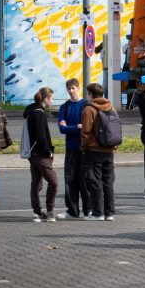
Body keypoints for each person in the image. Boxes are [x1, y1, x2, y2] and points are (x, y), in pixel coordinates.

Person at [80, 83, 118, 221]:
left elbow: (85, 132)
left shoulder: (89, 109)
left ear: (90, 94)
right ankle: (109, 213)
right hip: (109, 149)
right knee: (108, 181)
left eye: (87, 93)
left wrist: (83, 147)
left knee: (95, 181)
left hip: (94, 150)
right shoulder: (111, 107)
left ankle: (98, 213)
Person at [57, 78, 91, 220]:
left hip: (85, 148)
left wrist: (71, 128)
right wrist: (76, 127)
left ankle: (89, 210)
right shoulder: (64, 107)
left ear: (78, 88)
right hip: (71, 148)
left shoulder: (86, 105)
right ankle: (72, 210)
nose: (71, 91)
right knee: (70, 180)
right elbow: (62, 128)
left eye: (73, 88)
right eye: (69, 89)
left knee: (86, 180)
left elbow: (88, 126)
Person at [24, 87, 58, 222]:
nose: (52, 101)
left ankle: (37, 212)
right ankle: (50, 211)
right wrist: (48, 151)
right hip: (40, 154)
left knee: (37, 183)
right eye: (52, 98)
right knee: (53, 181)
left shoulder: (32, 111)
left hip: (33, 153)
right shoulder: (39, 113)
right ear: (46, 99)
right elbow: (41, 135)